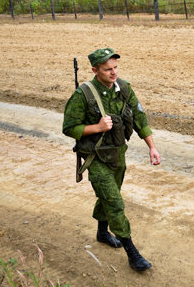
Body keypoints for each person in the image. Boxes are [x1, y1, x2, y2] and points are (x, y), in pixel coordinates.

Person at [63, 47, 161, 271]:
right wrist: (96, 127)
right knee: (115, 203)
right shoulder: (83, 95)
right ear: (95, 70)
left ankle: (101, 232)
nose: (114, 72)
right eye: (108, 69)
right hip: (96, 158)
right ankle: (132, 253)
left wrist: (152, 147)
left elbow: (139, 118)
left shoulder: (124, 88)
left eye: (116, 67)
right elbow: (68, 128)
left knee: (109, 196)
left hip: (118, 155)